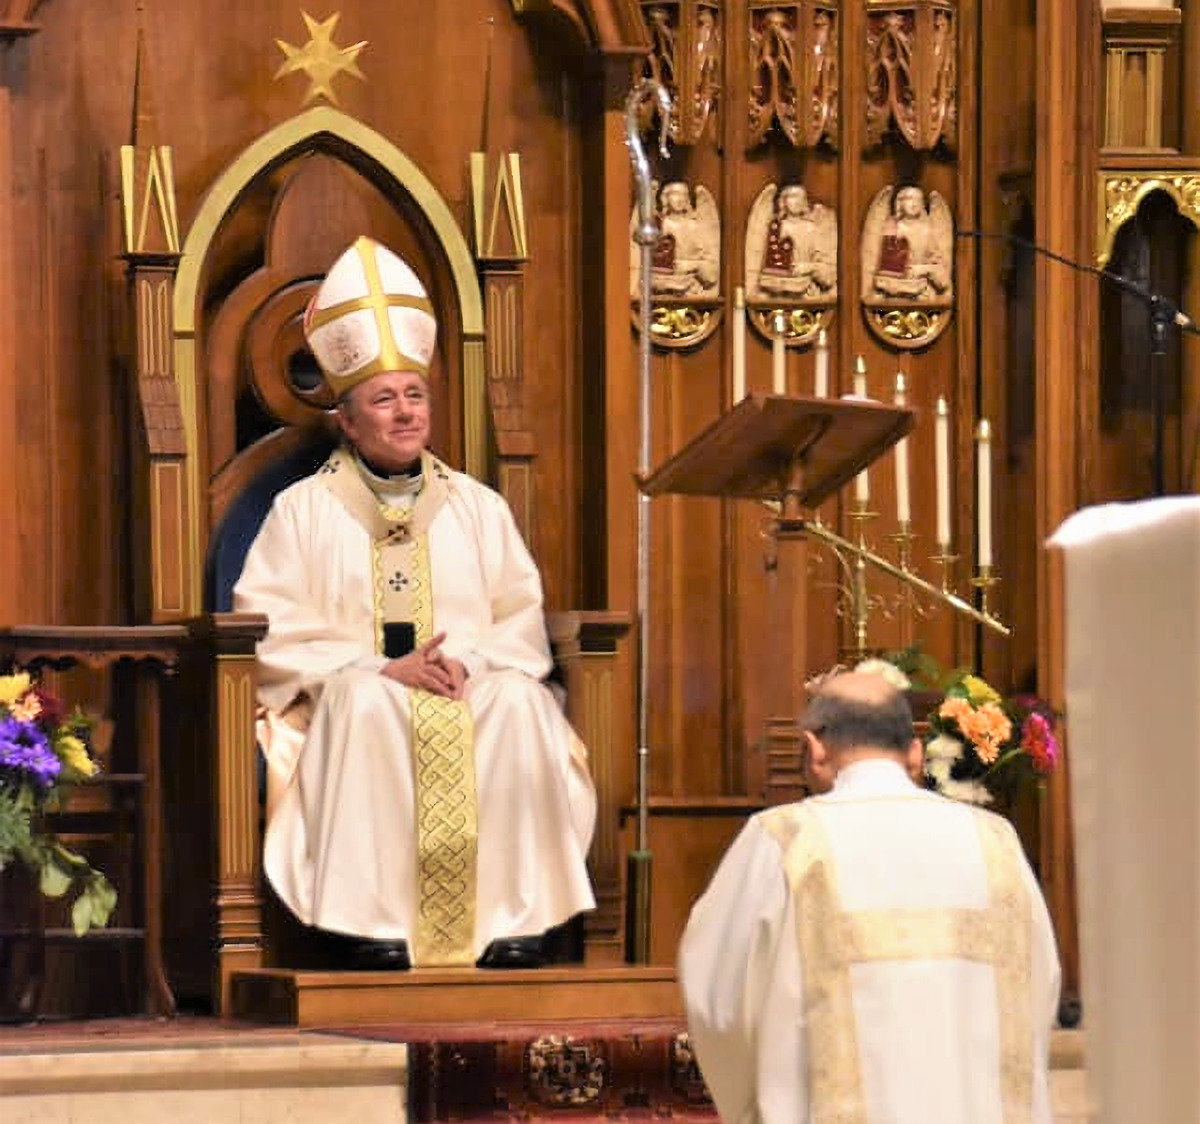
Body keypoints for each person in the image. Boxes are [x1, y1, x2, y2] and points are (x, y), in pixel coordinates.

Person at [234, 236, 597, 971]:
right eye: (383, 399)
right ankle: (370, 925)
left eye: (415, 395)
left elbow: (520, 620)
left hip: (467, 681)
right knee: (363, 706)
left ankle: (512, 922)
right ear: (347, 418)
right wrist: (378, 667)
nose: (405, 413)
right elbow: (268, 633)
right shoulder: (301, 511)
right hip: (355, 689)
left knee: (522, 706)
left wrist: (466, 661)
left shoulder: (478, 507)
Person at [678, 670, 1060, 1123]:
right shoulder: (996, 843)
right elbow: (1038, 986)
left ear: (815, 747)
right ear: (915, 753)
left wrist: (753, 1101)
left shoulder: (785, 842)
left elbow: (719, 1002)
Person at [873, 185, 950, 299]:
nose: (914, 204)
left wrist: (923, 269)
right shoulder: (892, 227)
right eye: (909, 199)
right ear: (900, 203)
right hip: (897, 281)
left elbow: (937, 262)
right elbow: (887, 264)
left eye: (918, 200)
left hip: (920, 281)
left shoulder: (927, 230)